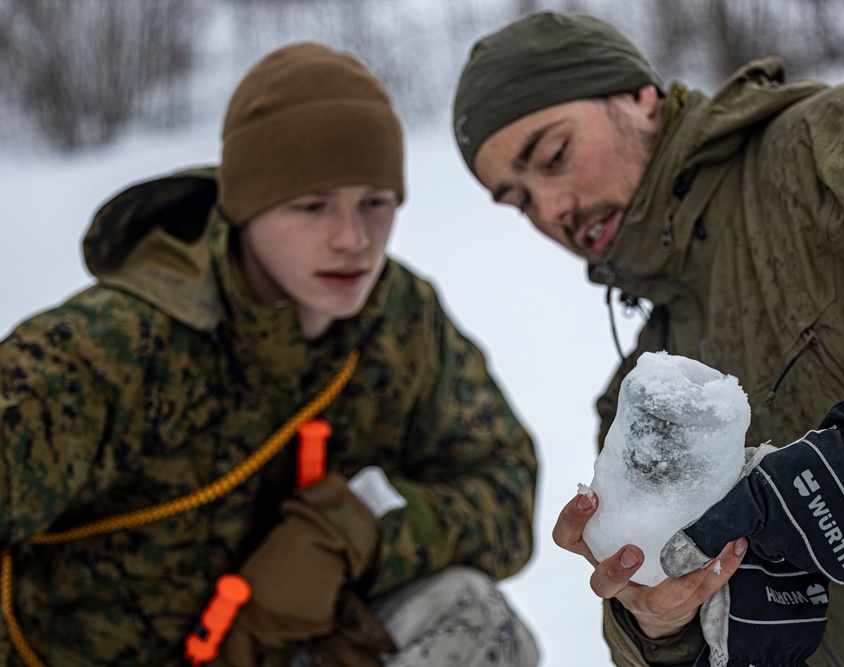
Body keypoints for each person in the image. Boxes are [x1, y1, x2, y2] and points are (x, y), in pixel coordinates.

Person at [452, 11, 844, 667]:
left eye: (553, 156)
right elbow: (661, 624)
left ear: (638, 95)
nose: (550, 210)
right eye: (517, 200)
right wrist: (662, 625)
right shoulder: (640, 406)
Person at [0, 42, 540, 667]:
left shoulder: (401, 318)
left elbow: (506, 489)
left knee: (476, 620)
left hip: (288, 653)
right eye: (311, 207)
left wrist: (358, 531)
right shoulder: (103, 349)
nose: (353, 240)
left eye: (376, 202)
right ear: (245, 208)